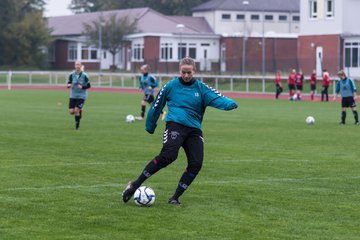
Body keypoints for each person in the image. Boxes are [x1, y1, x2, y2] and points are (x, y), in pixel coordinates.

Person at [122, 57, 238, 205]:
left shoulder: (201, 88)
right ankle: (135, 184)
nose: (186, 75)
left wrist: (229, 104)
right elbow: (157, 105)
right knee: (168, 155)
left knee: (196, 163)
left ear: (194, 71)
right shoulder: (171, 86)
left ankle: (175, 197)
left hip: (194, 129)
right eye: (183, 72)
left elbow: (216, 96)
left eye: (189, 72)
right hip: (175, 125)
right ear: (179, 71)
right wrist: (150, 126)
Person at [67, 60, 91, 130]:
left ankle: (77, 128)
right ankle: (80, 110)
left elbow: (89, 86)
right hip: (73, 95)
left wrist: (82, 87)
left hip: (82, 96)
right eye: (76, 65)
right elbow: (69, 81)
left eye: (78, 65)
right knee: (71, 112)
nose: (77, 66)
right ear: (74, 66)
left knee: (76, 110)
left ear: (81, 66)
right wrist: (68, 85)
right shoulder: (71, 74)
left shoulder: (85, 75)